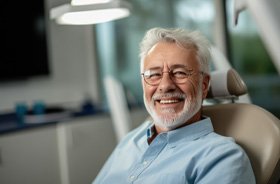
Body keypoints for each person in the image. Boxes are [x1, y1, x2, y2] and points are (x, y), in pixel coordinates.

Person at [93, 27, 255, 184]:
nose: (165, 85)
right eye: (154, 74)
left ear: (204, 85)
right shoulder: (130, 141)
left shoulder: (223, 158)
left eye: (180, 73)